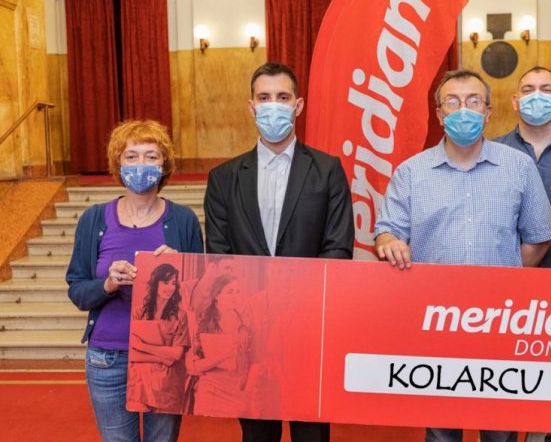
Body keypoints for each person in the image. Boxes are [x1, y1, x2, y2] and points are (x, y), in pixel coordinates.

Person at [374, 69, 551, 442]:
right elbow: (387, 230)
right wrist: (389, 241)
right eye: (452, 102)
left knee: (500, 430)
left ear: (488, 112)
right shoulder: (411, 172)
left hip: (501, 321)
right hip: (434, 322)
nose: (463, 110)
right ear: (439, 115)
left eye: (473, 101)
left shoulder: (518, 166)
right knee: (441, 430)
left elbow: (538, 239)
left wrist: (503, 278)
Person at [204, 62, 354, 442]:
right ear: (251, 106)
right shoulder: (223, 178)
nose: (273, 105)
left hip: (307, 327)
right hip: (248, 331)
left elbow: (337, 248)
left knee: (311, 433)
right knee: (257, 434)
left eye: (282, 97)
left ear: (298, 106)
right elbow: (219, 254)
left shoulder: (327, 170)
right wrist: (251, 312)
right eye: (264, 97)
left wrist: (293, 309)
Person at [66, 120, 203, 441]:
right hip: (107, 357)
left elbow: (202, 296)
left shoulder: (183, 220)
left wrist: (180, 270)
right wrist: (107, 284)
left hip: (164, 355)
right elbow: (78, 290)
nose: (141, 164)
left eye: (151, 156)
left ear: (164, 165)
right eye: (131, 156)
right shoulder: (94, 219)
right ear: (118, 163)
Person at [494, 66, 551, 209]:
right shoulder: (492, 152)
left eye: (546, 90)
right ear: (515, 102)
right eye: (528, 90)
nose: (536, 97)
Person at [187, 273, 259, 417]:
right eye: (230, 292)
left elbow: (255, 360)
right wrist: (224, 356)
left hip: (238, 391)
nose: (235, 296)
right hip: (210, 390)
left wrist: (248, 390)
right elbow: (194, 366)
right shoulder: (204, 325)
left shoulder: (246, 323)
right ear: (217, 295)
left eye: (238, 292)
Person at [127, 263, 189, 414]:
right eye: (165, 282)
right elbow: (132, 354)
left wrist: (143, 346)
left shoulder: (181, 316)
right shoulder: (139, 313)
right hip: (140, 383)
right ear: (155, 283)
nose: (170, 287)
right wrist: (163, 357)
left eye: (173, 283)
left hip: (167, 385)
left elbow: (176, 355)